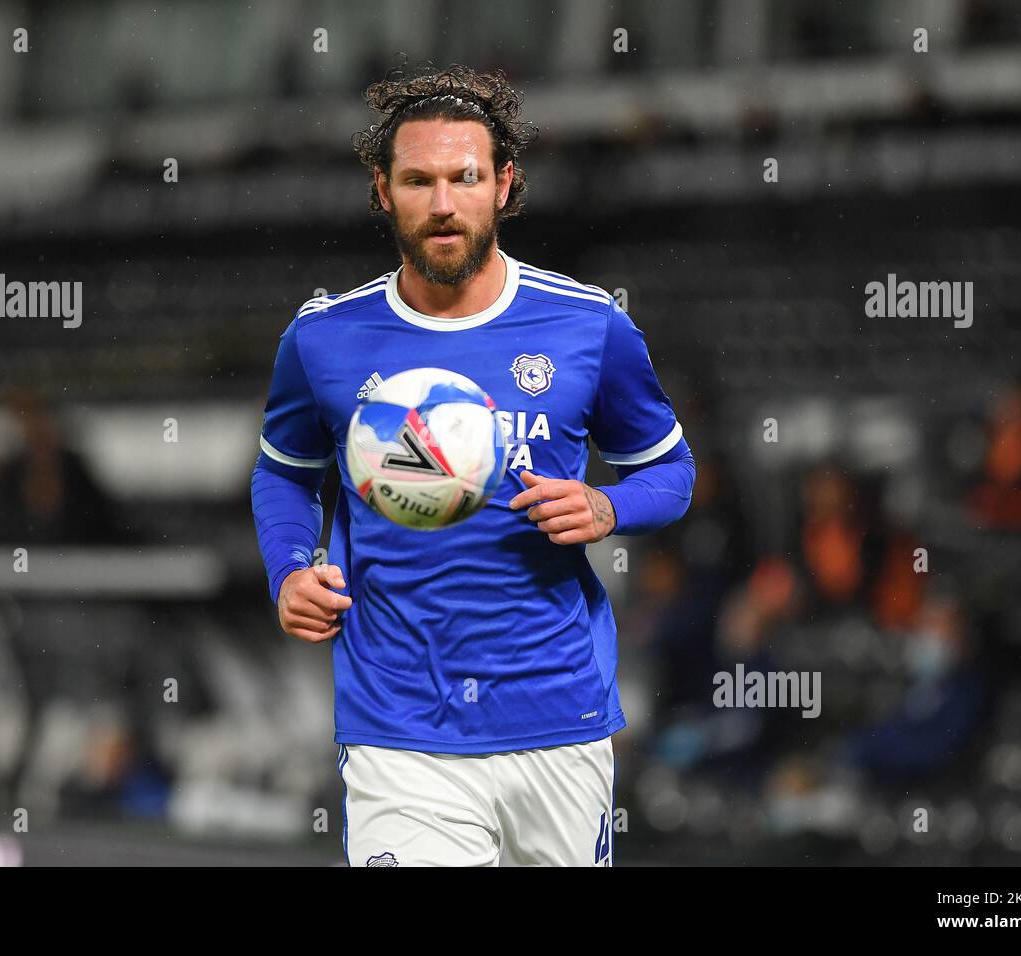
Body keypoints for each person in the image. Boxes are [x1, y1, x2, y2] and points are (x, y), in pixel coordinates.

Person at [251, 64, 695, 866]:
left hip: (556, 719)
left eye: (466, 177)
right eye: (419, 180)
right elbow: (283, 471)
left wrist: (606, 509)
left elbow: (671, 473)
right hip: (401, 727)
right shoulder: (323, 338)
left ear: (505, 184)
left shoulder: (588, 325)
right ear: (383, 191)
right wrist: (289, 569)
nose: (444, 203)